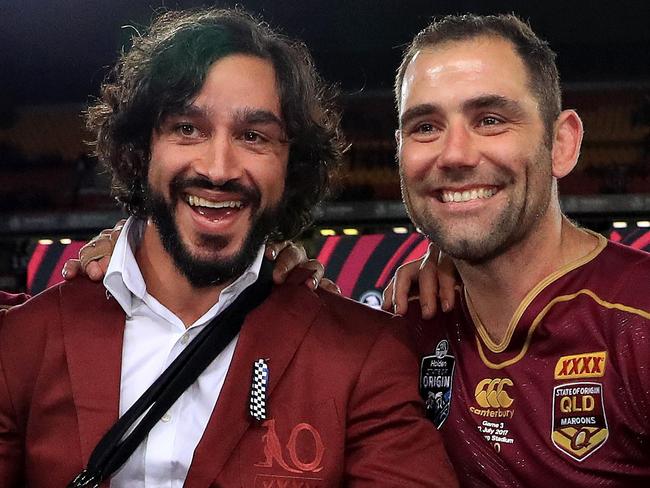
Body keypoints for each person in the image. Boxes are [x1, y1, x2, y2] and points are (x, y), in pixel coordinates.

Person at [0, 9, 456, 487]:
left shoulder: (364, 352)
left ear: (291, 165)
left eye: (253, 136)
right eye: (187, 128)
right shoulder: (23, 342)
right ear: (141, 147)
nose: (218, 168)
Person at [383, 13, 650, 487]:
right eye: (425, 127)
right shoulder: (404, 327)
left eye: (490, 120)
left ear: (562, 144)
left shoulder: (638, 320)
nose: (455, 154)